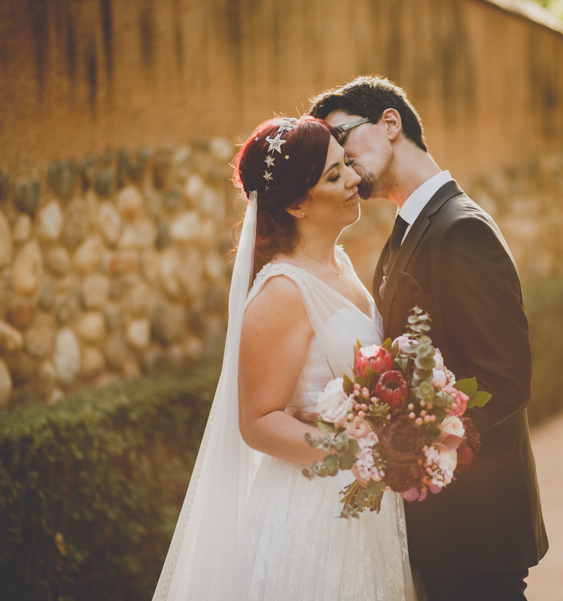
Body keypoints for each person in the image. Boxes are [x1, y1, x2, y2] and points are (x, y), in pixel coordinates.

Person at [151, 116, 417, 601]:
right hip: (315, 512)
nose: (354, 180)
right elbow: (257, 421)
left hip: (364, 504)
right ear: (297, 203)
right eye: (335, 177)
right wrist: (357, 452)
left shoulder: (340, 265)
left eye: (346, 166)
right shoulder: (282, 292)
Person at [310, 76, 549, 601]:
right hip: (438, 526)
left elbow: (507, 379)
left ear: (391, 123)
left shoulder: (461, 229)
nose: (342, 160)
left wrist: (410, 444)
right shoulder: (406, 233)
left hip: (477, 527)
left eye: (344, 136)